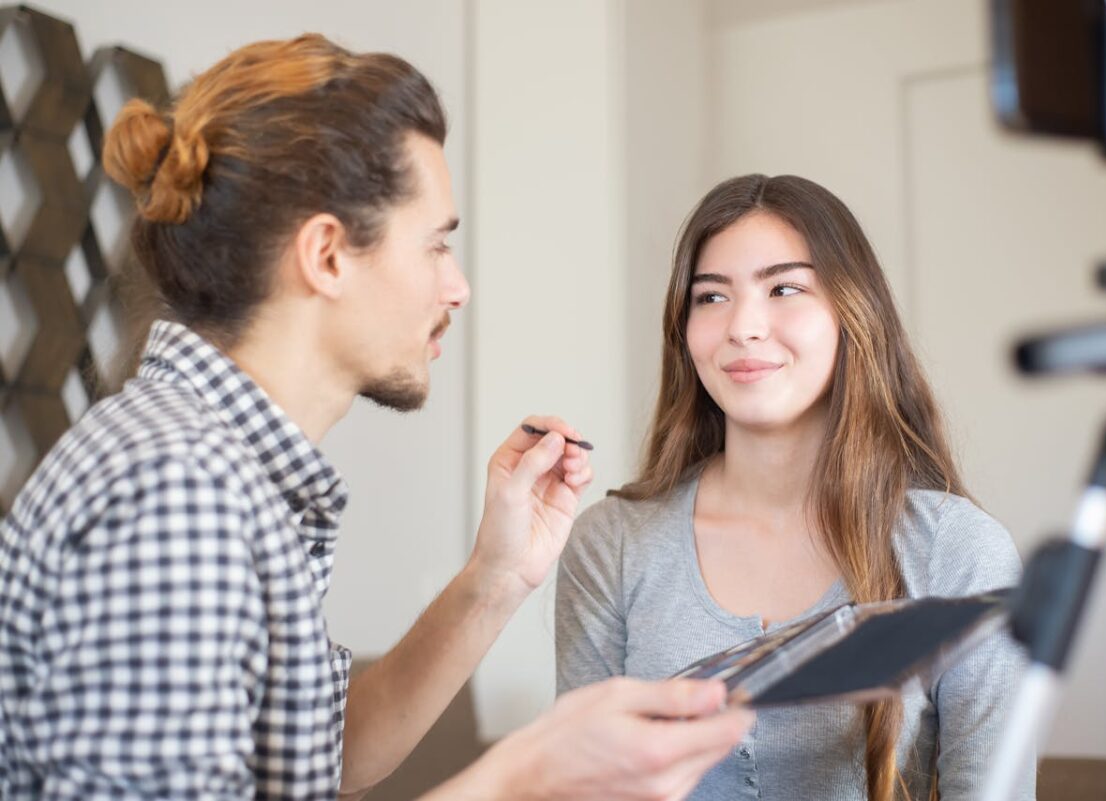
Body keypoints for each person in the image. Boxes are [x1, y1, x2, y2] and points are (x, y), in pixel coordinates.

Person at [0, 34, 753, 801]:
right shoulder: (180, 492)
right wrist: (527, 778)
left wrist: (496, 577)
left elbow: (322, 756)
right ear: (327, 255)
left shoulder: (219, 470)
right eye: (434, 247)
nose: (457, 288)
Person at [555, 174, 1036, 801]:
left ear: (852, 313)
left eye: (784, 287)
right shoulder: (611, 544)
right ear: (684, 330)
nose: (744, 327)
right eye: (710, 297)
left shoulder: (959, 551)